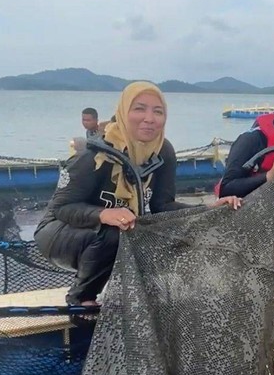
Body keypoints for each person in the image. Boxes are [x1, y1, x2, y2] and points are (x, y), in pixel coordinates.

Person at [36, 81, 240, 306]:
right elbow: (62, 209)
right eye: (139, 109)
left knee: (142, 231)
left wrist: (206, 209)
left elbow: (163, 206)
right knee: (115, 232)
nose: (149, 118)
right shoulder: (93, 156)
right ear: (123, 112)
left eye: (158, 111)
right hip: (58, 234)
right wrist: (103, 214)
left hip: (111, 235)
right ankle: (81, 297)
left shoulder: (162, 152)